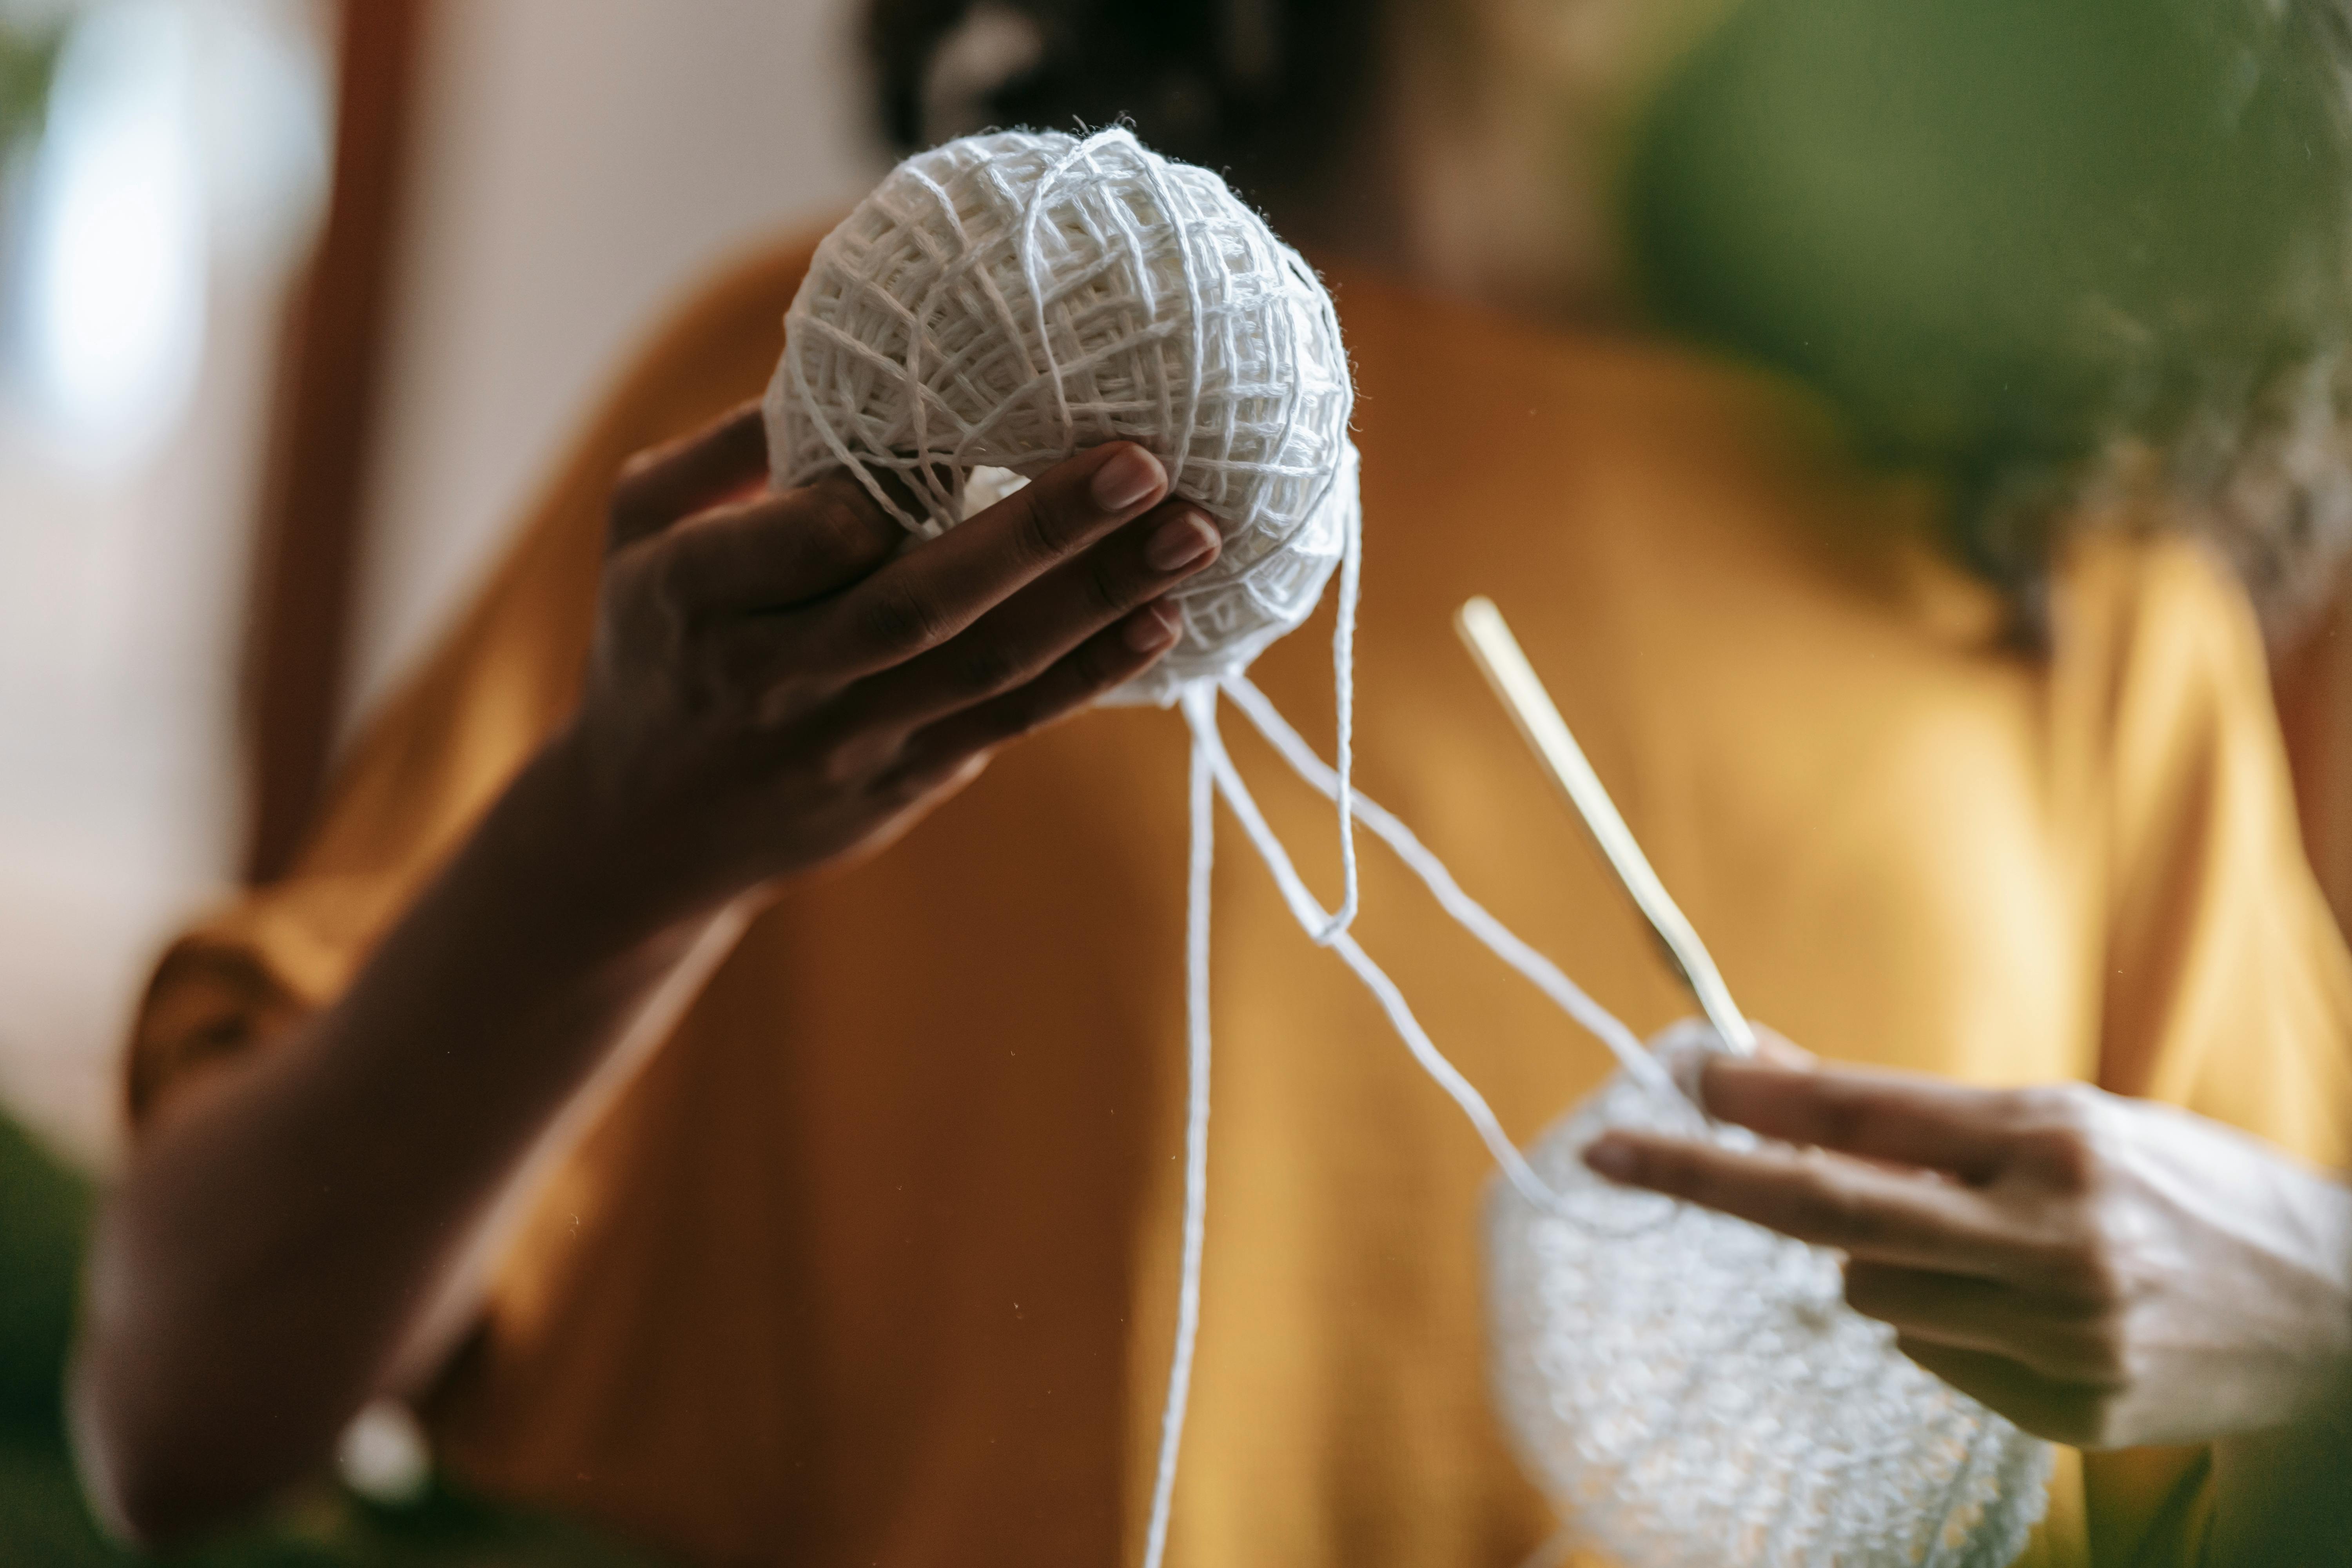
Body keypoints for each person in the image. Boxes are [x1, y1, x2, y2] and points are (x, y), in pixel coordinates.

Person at [70, 0, 2352, 1564]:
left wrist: (2310, 1302)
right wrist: (622, 844)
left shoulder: (2089, 607)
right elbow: (180, 1410)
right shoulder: (860, 458)